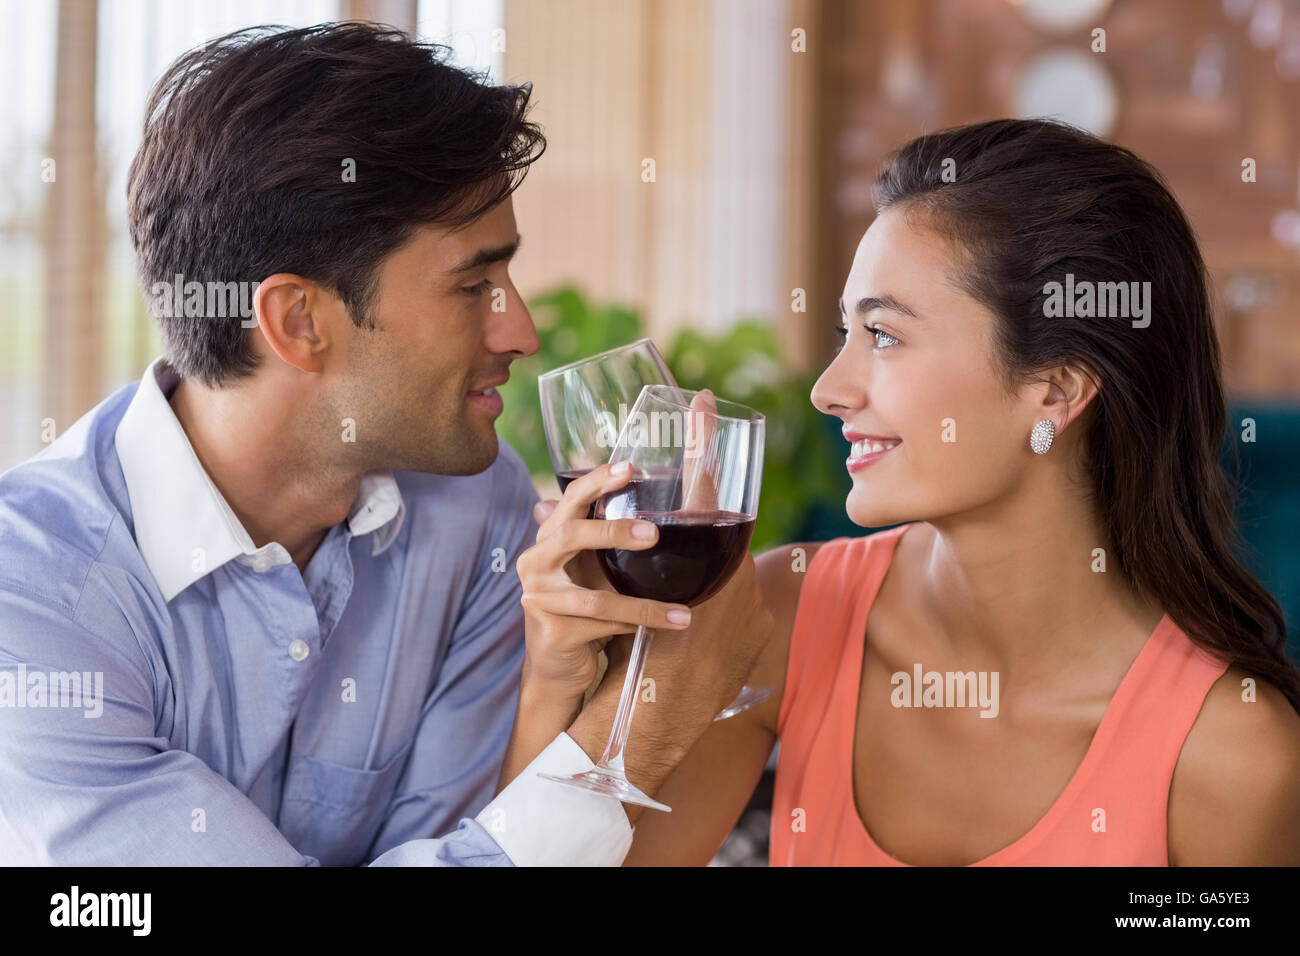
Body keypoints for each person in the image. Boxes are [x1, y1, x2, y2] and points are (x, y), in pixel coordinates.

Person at [0, 22, 771, 866]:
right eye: (475, 284)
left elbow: (465, 847)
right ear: (299, 322)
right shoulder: (30, 603)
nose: (521, 330)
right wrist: (642, 731)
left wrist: (565, 685)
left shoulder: (476, 512)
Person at [515, 118, 1300, 866]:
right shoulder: (781, 617)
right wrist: (561, 685)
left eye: (884, 335)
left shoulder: (1230, 755)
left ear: (1055, 391)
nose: (828, 389)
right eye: (843, 334)